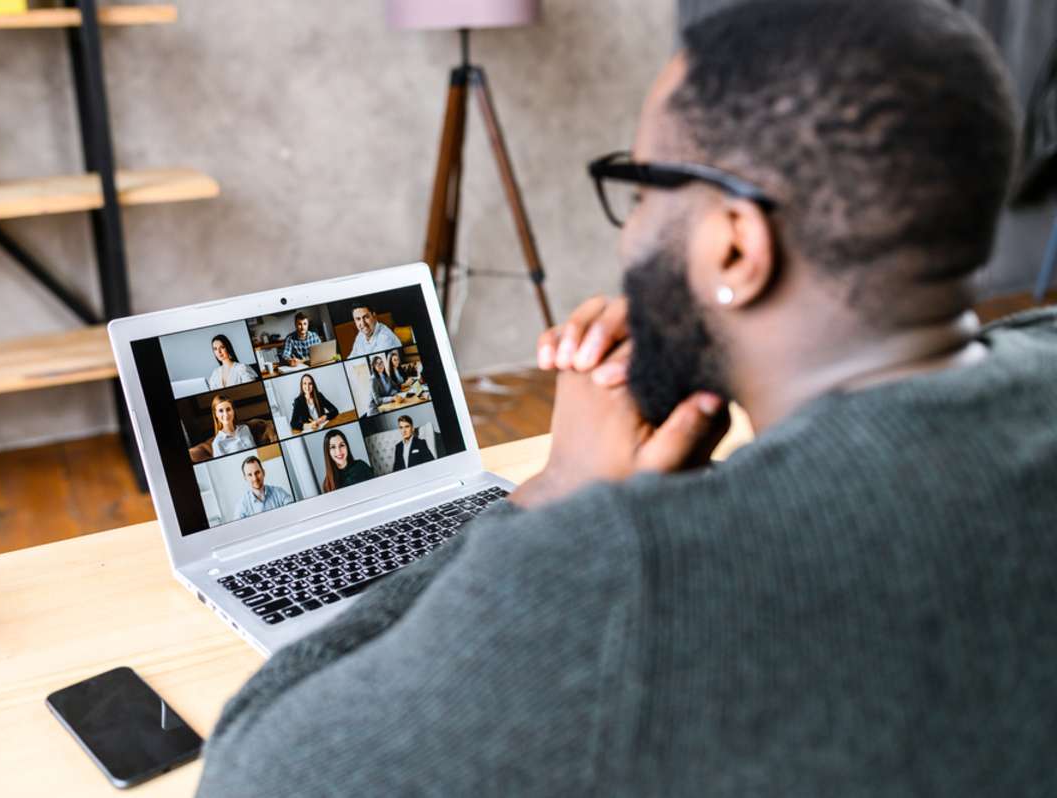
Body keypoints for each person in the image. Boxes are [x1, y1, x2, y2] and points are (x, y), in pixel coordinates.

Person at [198, 2, 1057, 796]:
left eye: (646, 192)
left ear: (733, 247)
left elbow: (258, 774)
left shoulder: (636, 578)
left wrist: (558, 494)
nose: (636, 230)